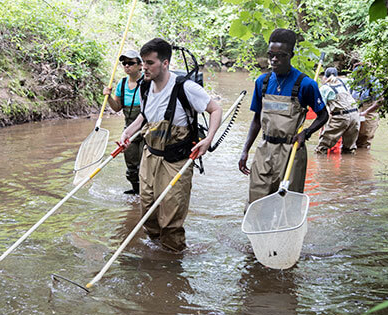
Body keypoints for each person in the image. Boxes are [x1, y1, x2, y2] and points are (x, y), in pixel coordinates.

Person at [120, 38, 222, 252]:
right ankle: (156, 254)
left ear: (165, 63)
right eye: (143, 62)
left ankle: (173, 259)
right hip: (149, 156)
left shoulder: (186, 88)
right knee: (147, 209)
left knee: (171, 215)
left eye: (149, 63)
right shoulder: (145, 87)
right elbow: (145, 116)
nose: (144, 68)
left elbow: (215, 109)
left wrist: (209, 138)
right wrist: (127, 132)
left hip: (177, 159)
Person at [238, 28, 328, 206]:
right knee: (256, 202)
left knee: (287, 205)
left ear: (291, 55)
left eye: (280, 56)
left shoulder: (306, 84)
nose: (274, 60)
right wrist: (245, 150)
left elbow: (323, 115)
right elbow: (256, 119)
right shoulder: (261, 82)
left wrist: (306, 133)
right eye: (271, 54)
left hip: (292, 151)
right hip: (265, 150)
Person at [103, 50, 144, 194]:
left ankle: (147, 194)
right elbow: (117, 108)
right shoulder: (122, 83)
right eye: (124, 63)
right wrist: (108, 98)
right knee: (131, 164)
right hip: (129, 130)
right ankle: (136, 191)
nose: (127, 66)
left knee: (146, 165)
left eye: (131, 63)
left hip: (147, 130)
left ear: (140, 65)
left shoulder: (148, 81)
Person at [314, 67, 360, 154]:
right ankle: (349, 165)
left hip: (341, 117)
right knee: (349, 149)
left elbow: (320, 108)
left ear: (324, 77)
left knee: (322, 148)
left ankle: (321, 165)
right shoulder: (345, 82)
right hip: (355, 115)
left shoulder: (324, 88)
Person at [351, 64, 382, 149]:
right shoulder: (353, 82)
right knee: (352, 134)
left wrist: (366, 112)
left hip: (370, 109)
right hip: (355, 107)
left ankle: (363, 155)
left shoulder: (374, 83)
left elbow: (380, 101)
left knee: (366, 135)